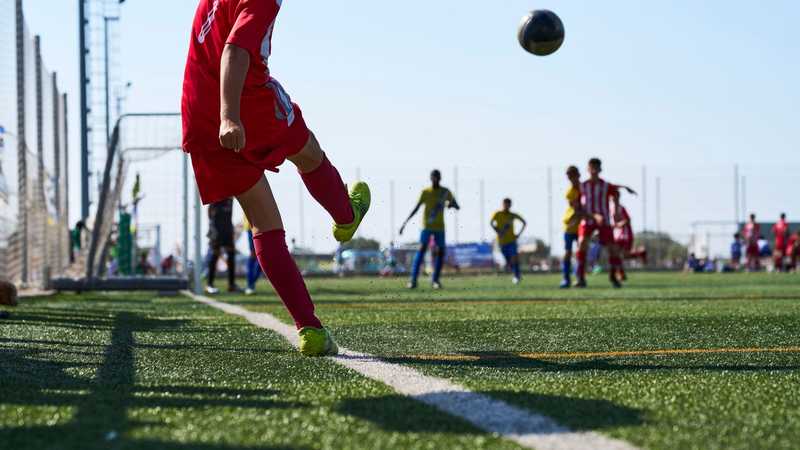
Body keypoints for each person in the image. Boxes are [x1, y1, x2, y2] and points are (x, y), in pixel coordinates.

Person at [182, 0, 371, 356]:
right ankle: (346, 217)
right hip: (244, 102)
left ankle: (310, 330)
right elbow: (235, 49)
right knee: (308, 149)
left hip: (198, 114)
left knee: (262, 221)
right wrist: (230, 116)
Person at [574, 158, 636, 288]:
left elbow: (616, 191)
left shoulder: (605, 186)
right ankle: (580, 278)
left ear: (600, 169)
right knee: (582, 243)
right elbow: (578, 207)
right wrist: (592, 215)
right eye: (592, 168)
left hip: (604, 221)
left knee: (613, 248)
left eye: (596, 168)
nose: (594, 170)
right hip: (588, 220)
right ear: (588, 169)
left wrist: (625, 190)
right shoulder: (583, 186)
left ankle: (614, 276)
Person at [399, 169, 460, 289]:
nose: (435, 179)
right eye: (433, 177)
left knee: (441, 252)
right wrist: (405, 223)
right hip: (426, 227)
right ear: (431, 178)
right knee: (421, 250)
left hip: (440, 227)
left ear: (440, 178)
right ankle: (413, 281)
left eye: (437, 177)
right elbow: (416, 208)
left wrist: (450, 204)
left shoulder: (445, 192)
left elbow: (457, 206)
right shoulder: (426, 192)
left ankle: (435, 281)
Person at [206, 198, 240, 294]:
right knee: (215, 255)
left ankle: (231, 285)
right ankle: (209, 285)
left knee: (231, 254)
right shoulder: (216, 195)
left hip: (228, 228)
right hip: (216, 228)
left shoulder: (230, 198)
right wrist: (212, 227)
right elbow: (209, 210)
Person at [611, 192, 647, 281]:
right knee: (623, 255)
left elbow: (628, 220)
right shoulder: (610, 208)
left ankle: (621, 274)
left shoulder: (621, 208)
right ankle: (639, 253)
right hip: (616, 234)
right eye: (612, 197)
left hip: (625, 234)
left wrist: (619, 224)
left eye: (615, 197)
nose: (614, 198)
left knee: (617, 254)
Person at [490, 198, 527, 284]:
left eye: (508, 204)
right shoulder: (497, 214)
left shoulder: (512, 215)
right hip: (501, 242)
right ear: (502, 204)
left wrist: (518, 234)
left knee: (514, 258)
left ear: (510, 205)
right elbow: (491, 223)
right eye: (505, 204)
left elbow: (524, 222)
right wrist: (497, 231)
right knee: (508, 261)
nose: (506, 206)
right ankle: (516, 274)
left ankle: (516, 276)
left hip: (512, 241)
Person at [560, 166, 584, 288]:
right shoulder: (570, 192)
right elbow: (577, 209)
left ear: (578, 175)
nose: (571, 179)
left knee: (581, 252)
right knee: (568, 252)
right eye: (569, 177)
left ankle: (580, 278)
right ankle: (566, 278)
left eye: (573, 176)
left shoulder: (585, 188)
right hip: (570, 225)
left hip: (582, 226)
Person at [243, 216, 262, 295]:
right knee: (253, 254)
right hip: (251, 226)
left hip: (265, 226)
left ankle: (251, 283)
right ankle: (250, 285)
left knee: (263, 257)